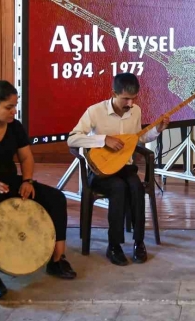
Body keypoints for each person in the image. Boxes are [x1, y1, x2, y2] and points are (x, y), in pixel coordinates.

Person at [0, 77, 76, 301]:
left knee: (56, 198)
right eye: (9, 107)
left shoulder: (15, 127)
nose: (14, 111)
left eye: (15, 106)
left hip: (8, 183)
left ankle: (57, 260)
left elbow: (26, 157)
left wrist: (27, 181)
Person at [68, 73, 168, 266]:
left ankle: (139, 243)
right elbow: (72, 139)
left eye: (134, 98)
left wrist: (158, 129)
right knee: (119, 189)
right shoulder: (95, 111)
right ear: (113, 93)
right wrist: (103, 139)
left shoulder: (135, 111)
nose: (130, 103)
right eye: (125, 99)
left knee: (137, 188)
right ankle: (114, 245)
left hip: (125, 168)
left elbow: (138, 138)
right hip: (100, 171)